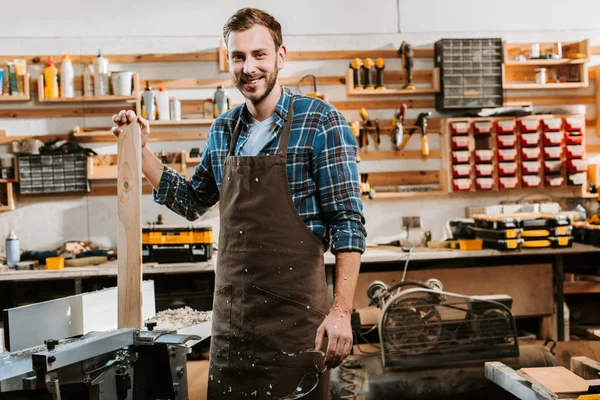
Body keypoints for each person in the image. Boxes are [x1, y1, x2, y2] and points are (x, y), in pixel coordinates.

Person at [112, 7, 366, 399]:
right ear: (228, 60)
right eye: (238, 56)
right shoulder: (223, 129)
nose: (249, 67)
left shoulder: (320, 122)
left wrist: (341, 311)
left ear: (281, 56)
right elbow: (192, 200)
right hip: (232, 334)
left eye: (259, 55)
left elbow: (348, 222)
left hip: (297, 331)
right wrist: (140, 151)